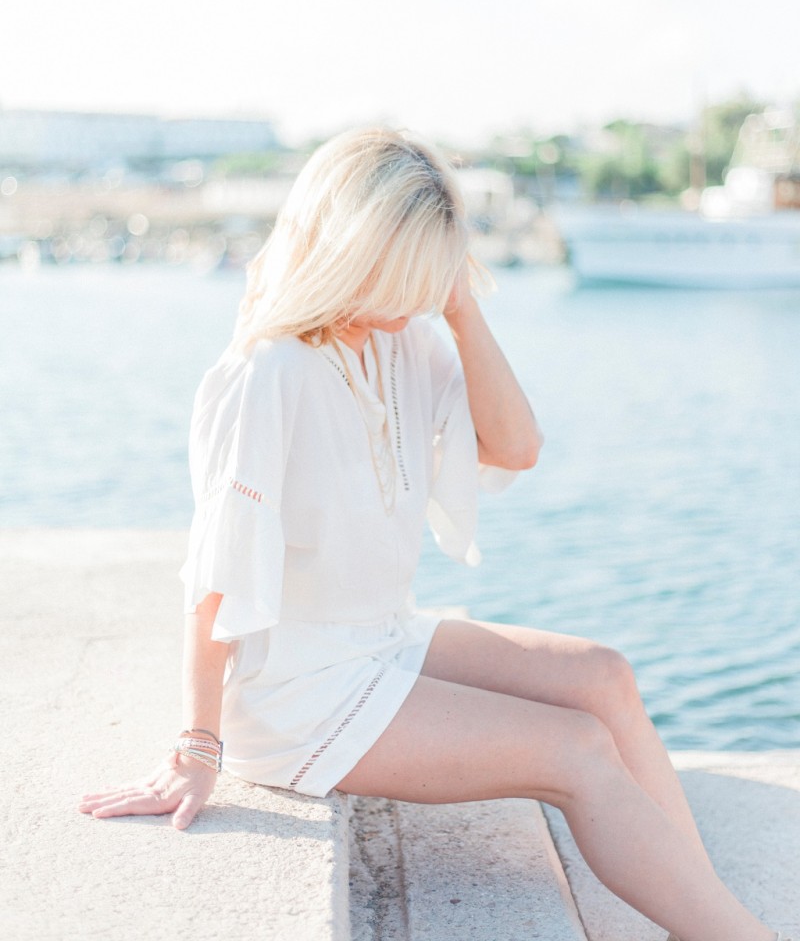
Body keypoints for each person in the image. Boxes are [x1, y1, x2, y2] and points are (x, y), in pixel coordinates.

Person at [80, 128, 789, 941]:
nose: (419, 295)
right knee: (576, 751)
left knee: (604, 676)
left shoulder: (403, 340)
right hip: (298, 689)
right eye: (410, 269)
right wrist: (196, 747)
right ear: (352, 250)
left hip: (382, 640)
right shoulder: (267, 373)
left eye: (434, 270)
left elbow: (516, 446)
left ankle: (693, 901)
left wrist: (461, 306)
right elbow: (213, 577)